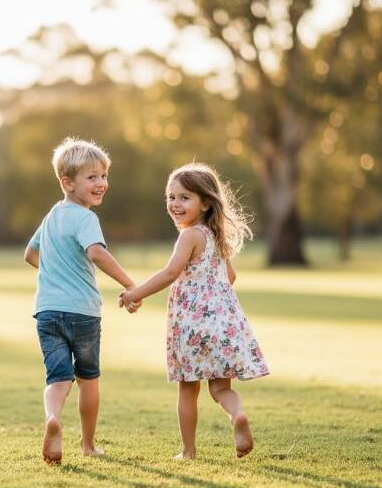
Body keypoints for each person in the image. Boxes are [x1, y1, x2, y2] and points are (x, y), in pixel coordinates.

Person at [119, 163, 269, 459]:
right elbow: (231, 277)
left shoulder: (189, 236)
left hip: (189, 325)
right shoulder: (216, 238)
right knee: (220, 389)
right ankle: (236, 414)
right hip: (222, 324)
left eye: (184, 197)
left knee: (188, 390)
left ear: (205, 203)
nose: (175, 204)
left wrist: (134, 293)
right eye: (171, 197)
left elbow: (170, 272)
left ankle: (188, 451)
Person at [24, 137, 141, 465]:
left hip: (47, 311)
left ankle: (52, 418)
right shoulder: (85, 218)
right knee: (88, 378)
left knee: (58, 377)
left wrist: (55, 271)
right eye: (92, 177)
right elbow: (96, 253)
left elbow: (30, 254)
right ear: (68, 182)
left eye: (104, 176)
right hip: (83, 313)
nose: (102, 183)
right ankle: (88, 445)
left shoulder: (52, 216)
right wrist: (131, 284)